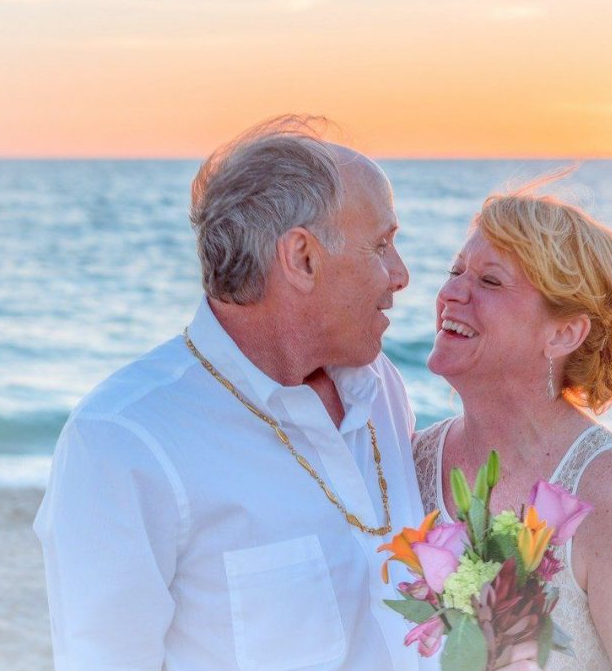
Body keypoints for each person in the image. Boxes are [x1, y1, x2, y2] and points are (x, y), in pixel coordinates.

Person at [34, 116, 429, 670]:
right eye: (382, 245)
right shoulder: (123, 442)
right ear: (302, 258)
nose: (401, 274)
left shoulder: (380, 387)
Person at [413, 180, 612, 670]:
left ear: (564, 332)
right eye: (455, 270)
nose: (451, 293)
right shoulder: (410, 460)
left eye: (490, 281)